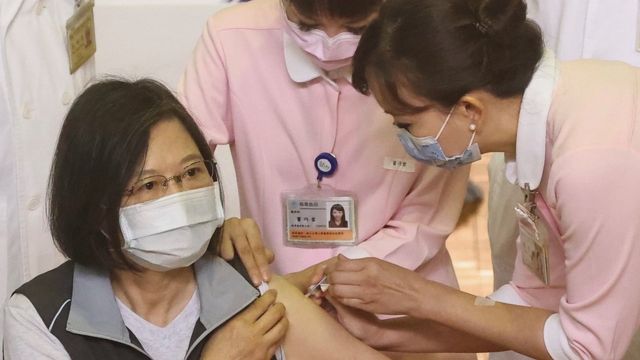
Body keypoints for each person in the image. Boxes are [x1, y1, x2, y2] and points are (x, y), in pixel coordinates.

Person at [324, 0, 640, 359]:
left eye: (406, 124)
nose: (406, 141)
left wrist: (417, 295)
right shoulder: (540, 128)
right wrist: (383, 332)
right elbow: (531, 300)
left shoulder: (589, 162)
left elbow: (587, 349)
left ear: (470, 110)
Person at [2, 78, 390, 360]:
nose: (180, 197)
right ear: (95, 208)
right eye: (149, 185)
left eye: (191, 173)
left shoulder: (254, 292)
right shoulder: (41, 316)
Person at [179, 0, 470, 290]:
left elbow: (428, 214)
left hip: (402, 292)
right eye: (307, 26)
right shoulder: (232, 38)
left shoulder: (428, 43)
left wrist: (341, 274)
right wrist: (214, 229)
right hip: (278, 287)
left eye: (356, 29)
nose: (327, 46)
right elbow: (175, 157)